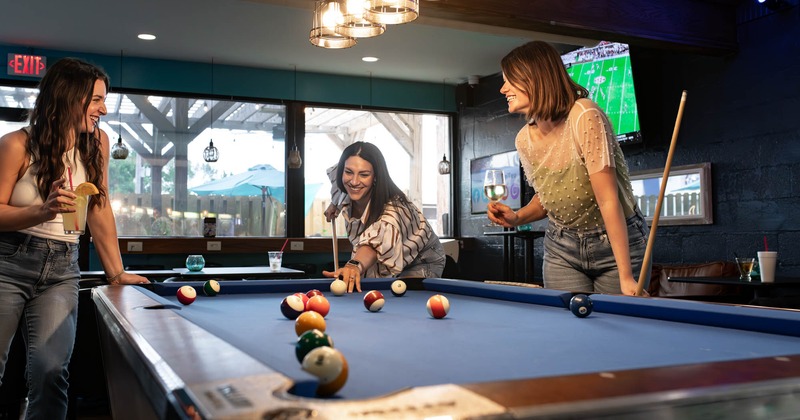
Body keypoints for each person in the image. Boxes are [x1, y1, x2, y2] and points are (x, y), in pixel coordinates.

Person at [0, 57, 149, 419]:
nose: (104, 108)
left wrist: (116, 273)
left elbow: (99, 209)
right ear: (68, 96)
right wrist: (42, 211)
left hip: (63, 268)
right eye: (96, 99)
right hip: (8, 263)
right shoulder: (16, 144)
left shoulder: (97, 143)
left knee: (51, 371)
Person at [487, 41, 649, 296]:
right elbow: (549, 198)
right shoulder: (523, 140)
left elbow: (608, 200)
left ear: (534, 78)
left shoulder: (584, 115)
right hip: (562, 246)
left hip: (616, 244)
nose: (502, 88)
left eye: (510, 80)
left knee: (615, 330)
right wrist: (517, 218)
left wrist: (626, 276)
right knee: (566, 329)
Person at [322, 142, 446, 292]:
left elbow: (373, 245)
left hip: (420, 260)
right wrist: (334, 204)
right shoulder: (345, 186)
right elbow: (340, 185)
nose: (354, 181)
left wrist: (354, 265)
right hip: (383, 258)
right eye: (348, 172)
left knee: (400, 303)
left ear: (375, 177)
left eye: (364, 174)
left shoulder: (392, 211)